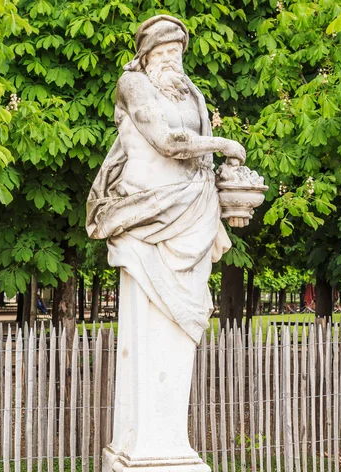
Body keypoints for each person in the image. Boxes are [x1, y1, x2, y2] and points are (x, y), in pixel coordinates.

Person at [86, 14, 246, 344]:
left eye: (175, 51)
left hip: (193, 211)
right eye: (160, 53)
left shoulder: (191, 93)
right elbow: (165, 141)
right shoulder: (134, 85)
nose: (169, 59)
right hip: (147, 210)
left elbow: (201, 157)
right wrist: (225, 144)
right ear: (145, 56)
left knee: (182, 322)